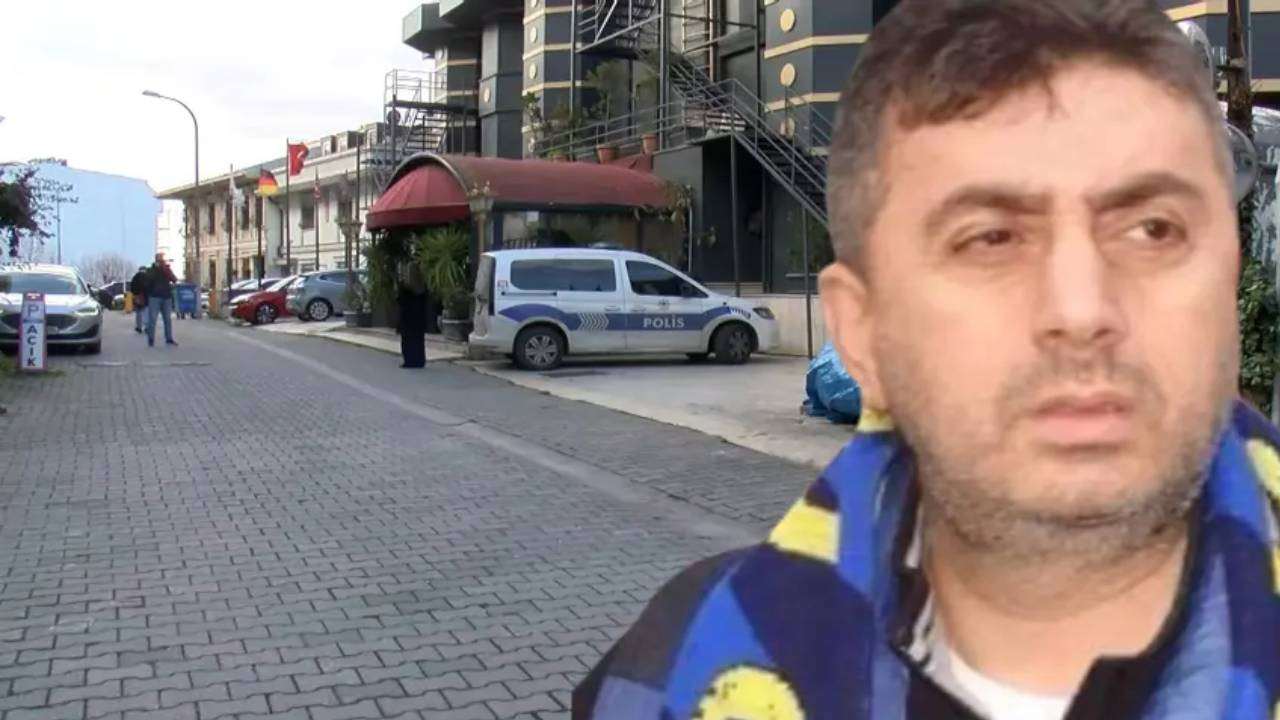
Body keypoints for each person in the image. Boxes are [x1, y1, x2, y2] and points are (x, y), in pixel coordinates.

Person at [575, 1, 1280, 718]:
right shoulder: (666, 684)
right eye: (990, 238)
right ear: (864, 334)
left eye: (1154, 228)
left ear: (1229, 277)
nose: (1082, 309)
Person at [396, 261, 428, 368]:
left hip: (407, 320)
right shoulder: (422, 287)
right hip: (419, 320)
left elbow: (400, 301)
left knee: (407, 341)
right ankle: (419, 360)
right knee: (418, 341)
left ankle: (409, 361)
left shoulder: (405, 287)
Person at [145, 253, 178, 347]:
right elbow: (148, 280)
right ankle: (151, 339)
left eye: (162, 260)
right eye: (159, 260)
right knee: (153, 319)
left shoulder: (166, 269)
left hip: (166, 297)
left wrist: (165, 269)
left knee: (167, 319)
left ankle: (169, 338)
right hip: (154, 297)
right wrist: (155, 269)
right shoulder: (151, 270)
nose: (161, 262)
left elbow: (174, 279)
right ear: (156, 260)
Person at [128, 265, 149, 334]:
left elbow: (132, 288)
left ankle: (139, 327)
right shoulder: (147, 277)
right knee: (146, 313)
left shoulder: (135, 277)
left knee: (138, 313)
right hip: (146, 297)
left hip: (138, 297)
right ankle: (147, 327)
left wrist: (135, 294)